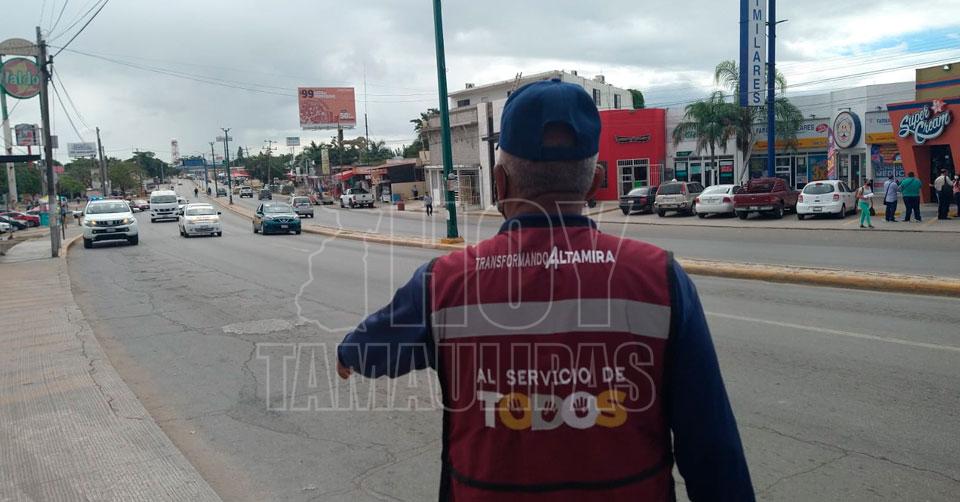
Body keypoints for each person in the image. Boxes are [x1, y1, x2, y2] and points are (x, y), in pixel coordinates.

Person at [336, 79, 754, 501]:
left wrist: (348, 354)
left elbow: (368, 350)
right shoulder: (660, 279)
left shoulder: (444, 281)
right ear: (594, 184)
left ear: (500, 183)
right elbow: (713, 449)